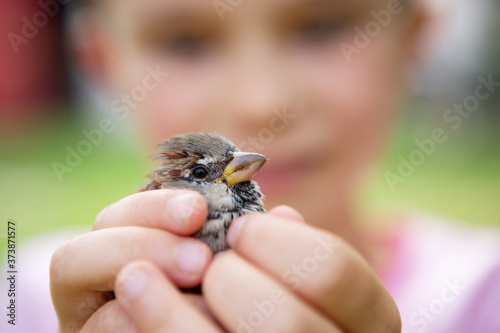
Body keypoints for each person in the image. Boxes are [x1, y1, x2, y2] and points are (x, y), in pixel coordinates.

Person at [6, 0, 500, 332]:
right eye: (185, 41)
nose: (262, 104)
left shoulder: (483, 293)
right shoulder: (26, 296)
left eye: (321, 26)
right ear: (100, 61)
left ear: (411, 41)